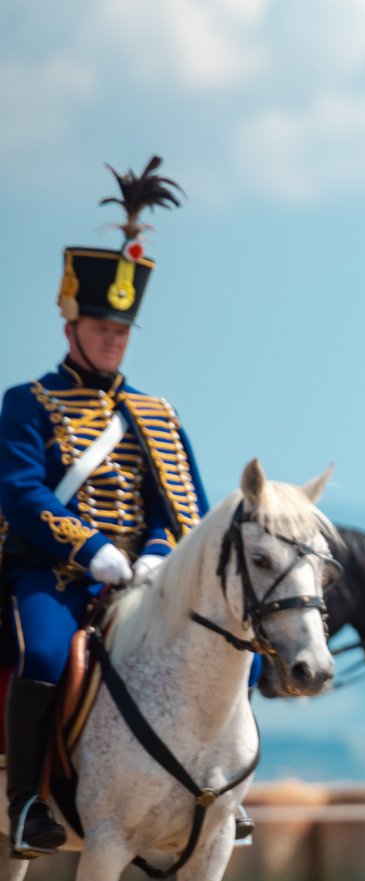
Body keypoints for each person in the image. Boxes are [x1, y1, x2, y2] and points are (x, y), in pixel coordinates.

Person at [0, 157, 209, 858]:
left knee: (218, 645)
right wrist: (92, 549)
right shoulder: (27, 403)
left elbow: (188, 507)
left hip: (146, 580)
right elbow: (22, 492)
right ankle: (27, 800)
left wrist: (153, 553)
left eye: (121, 331)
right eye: (100, 328)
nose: (112, 338)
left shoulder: (156, 413)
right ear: (71, 325)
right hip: (56, 575)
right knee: (46, 656)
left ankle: (220, 792)